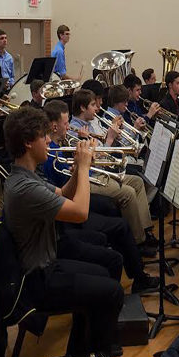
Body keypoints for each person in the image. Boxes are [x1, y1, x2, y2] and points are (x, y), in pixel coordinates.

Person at [3, 107, 123, 357]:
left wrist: (76, 175)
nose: (49, 140)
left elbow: (64, 194)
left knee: (104, 273)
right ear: (27, 142)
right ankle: (97, 356)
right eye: (43, 136)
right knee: (112, 292)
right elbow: (80, 213)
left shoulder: (27, 176)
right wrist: (83, 167)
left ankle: (80, 353)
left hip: (46, 265)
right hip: (37, 281)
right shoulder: (25, 187)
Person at [70, 90, 155, 246]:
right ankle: (138, 241)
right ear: (82, 108)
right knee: (128, 193)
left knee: (137, 182)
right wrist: (109, 139)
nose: (97, 108)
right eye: (93, 105)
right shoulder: (74, 130)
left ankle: (145, 229)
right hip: (92, 175)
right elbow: (91, 160)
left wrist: (112, 137)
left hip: (104, 169)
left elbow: (102, 150)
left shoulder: (89, 124)